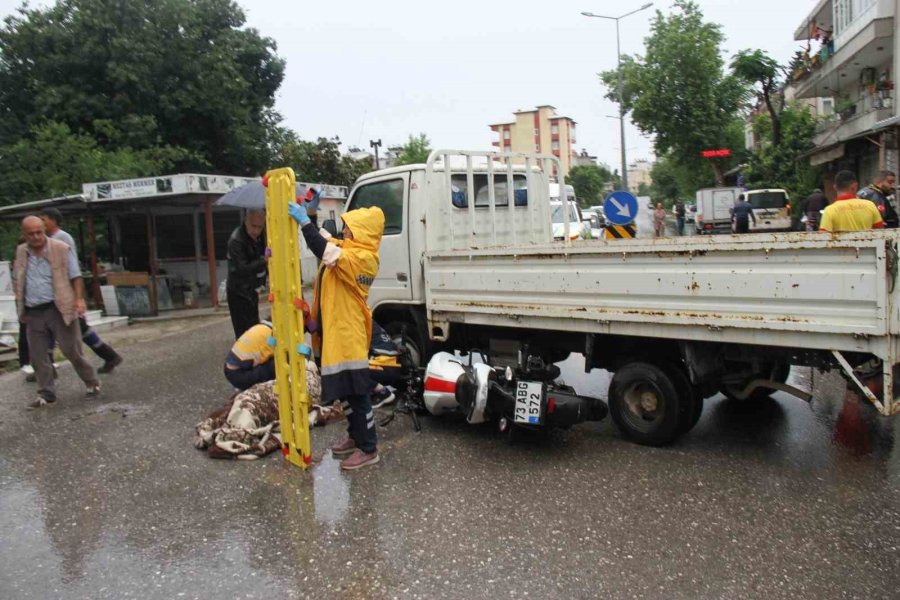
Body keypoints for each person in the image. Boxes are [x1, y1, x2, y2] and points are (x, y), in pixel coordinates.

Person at [288, 198, 385, 470]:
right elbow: (326, 239)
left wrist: (304, 223)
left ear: (363, 232)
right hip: (337, 335)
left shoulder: (363, 258)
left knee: (358, 394)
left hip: (349, 336)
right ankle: (355, 437)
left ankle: (369, 448)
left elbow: (323, 248)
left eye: (351, 228)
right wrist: (310, 213)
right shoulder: (349, 248)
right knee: (345, 392)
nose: (345, 232)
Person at [13, 216, 100, 409]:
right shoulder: (21, 251)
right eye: (31, 233)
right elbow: (19, 279)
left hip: (59, 308)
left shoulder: (60, 248)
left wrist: (79, 299)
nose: (36, 237)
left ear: (44, 230)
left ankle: (91, 382)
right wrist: (21, 306)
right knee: (38, 355)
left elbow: (76, 276)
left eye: (39, 232)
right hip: (33, 310)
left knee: (72, 351)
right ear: (24, 234)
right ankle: (46, 393)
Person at [38, 208, 123, 373]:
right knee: (58, 329)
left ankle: (109, 357)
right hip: (55, 293)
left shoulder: (62, 238)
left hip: (65, 293)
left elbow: (71, 269)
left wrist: (77, 297)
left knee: (61, 329)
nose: (41, 223)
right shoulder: (48, 240)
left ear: (53, 220)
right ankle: (110, 356)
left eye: (43, 219)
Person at [226, 210, 267, 339]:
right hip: (237, 289)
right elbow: (242, 268)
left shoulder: (262, 235)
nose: (256, 231)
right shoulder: (236, 240)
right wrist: (263, 260)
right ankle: (243, 355)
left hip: (251, 288)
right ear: (246, 222)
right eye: (253, 226)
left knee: (254, 325)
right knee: (242, 330)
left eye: (259, 227)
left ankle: (254, 353)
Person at [820, 170, 885, 232]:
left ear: (835, 187)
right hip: (868, 243)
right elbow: (880, 231)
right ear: (855, 186)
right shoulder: (870, 205)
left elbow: (824, 237)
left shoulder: (829, 211)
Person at [223, 321, 276, 391]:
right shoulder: (272, 337)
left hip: (229, 368)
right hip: (239, 375)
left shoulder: (262, 327)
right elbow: (281, 353)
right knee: (276, 364)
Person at [369, 321, 403, 409]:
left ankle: (383, 394)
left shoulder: (355, 323)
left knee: (352, 371)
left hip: (384, 367)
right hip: (393, 367)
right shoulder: (369, 320)